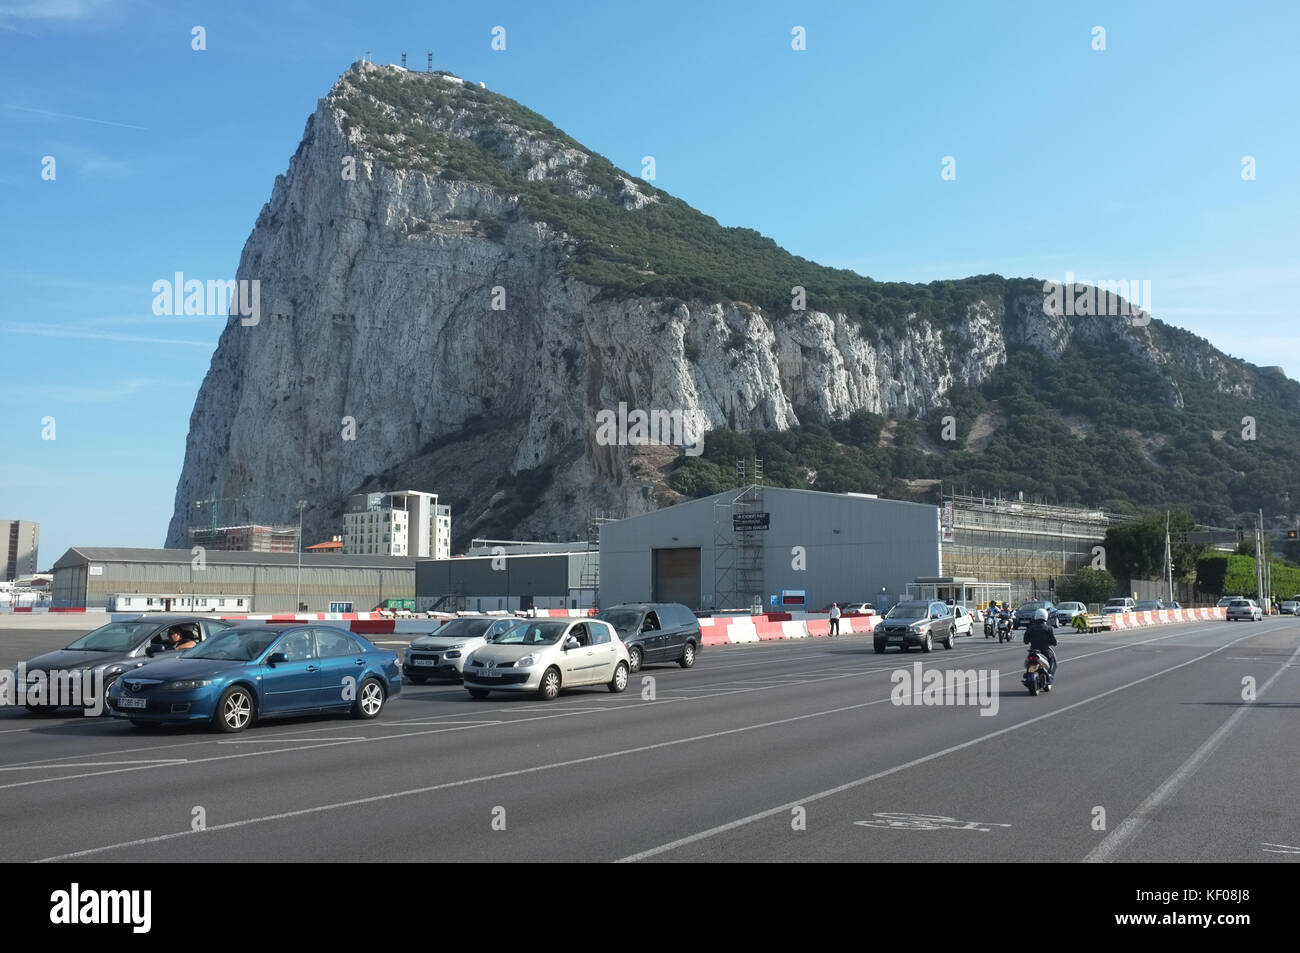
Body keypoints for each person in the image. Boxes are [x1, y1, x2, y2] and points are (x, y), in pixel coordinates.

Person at [1023, 608, 1058, 690]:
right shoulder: (1048, 628)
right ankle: (1050, 676)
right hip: (1045, 651)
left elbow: (1025, 641)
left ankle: (1028, 675)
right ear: (1045, 616)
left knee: (1027, 663)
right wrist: (1053, 642)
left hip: (1033, 651)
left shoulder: (1030, 628)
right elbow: (1054, 642)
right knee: (1053, 660)